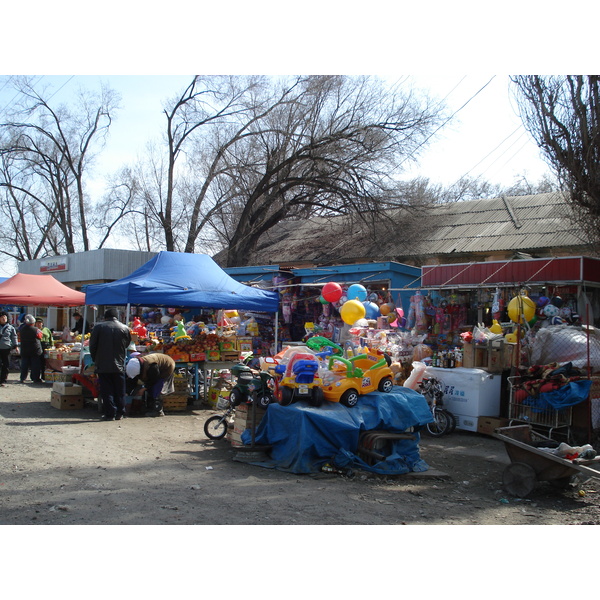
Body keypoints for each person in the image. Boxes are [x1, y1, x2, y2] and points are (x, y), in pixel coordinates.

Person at [89, 308, 131, 421]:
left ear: (105, 317)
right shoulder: (125, 328)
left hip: (103, 363)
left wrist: (95, 359)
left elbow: (92, 346)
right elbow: (126, 344)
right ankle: (120, 412)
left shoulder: (99, 327)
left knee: (107, 390)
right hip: (119, 363)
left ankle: (110, 413)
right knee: (120, 390)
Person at [126, 353, 175, 417]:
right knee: (149, 388)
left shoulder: (152, 366)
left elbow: (153, 380)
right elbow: (132, 380)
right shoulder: (136, 366)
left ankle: (157, 410)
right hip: (154, 370)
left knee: (156, 387)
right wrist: (127, 392)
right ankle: (149, 407)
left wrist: (144, 389)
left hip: (166, 366)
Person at [19, 314, 44, 384]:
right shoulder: (36, 330)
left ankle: (22, 378)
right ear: (33, 322)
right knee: (35, 365)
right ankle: (35, 378)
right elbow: (40, 337)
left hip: (24, 349)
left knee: (24, 364)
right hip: (35, 350)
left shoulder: (22, 329)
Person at [0, 311, 18, 387]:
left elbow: (14, 337)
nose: (4, 318)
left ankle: (3, 380)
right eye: (2, 317)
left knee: (5, 364)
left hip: (6, 348)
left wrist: (16, 346)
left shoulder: (11, 328)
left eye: (5, 317)